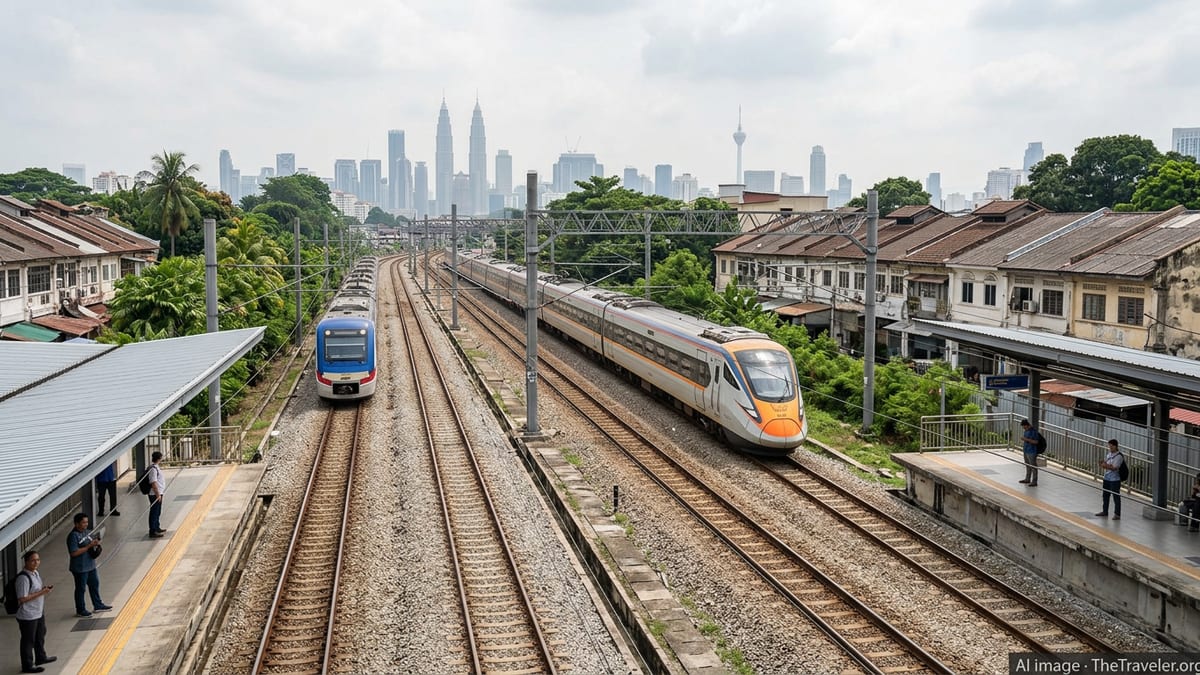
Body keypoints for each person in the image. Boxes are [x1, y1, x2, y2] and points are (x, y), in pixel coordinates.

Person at [14, 550, 56, 674]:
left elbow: (35, 591)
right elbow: (22, 598)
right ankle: (27, 665)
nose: (36, 563)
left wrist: (43, 590)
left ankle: (41, 657)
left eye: (38, 560)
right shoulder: (23, 578)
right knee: (28, 640)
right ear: (26, 562)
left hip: (38, 612)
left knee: (40, 635)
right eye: (33, 560)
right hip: (28, 615)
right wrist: (42, 593)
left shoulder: (35, 573)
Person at [67, 513, 111, 617]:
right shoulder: (73, 536)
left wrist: (96, 544)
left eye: (86, 522)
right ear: (76, 524)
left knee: (94, 584)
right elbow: (73, 552)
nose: (86, 524)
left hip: (90, 565)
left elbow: (91, 544)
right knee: (81, 588)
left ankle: (98, 604)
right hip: (80, 568)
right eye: (83, 522)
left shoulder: (88, 532)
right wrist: (88, 547)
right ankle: (80, 609)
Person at [1095, 439, 1124, 520]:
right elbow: (1109, 466)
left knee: (1116, 496)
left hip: (1115, 479)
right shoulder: (1109, 455)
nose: (1110, 448)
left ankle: (1117, 514)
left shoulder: (1119, 456)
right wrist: (1104, 464)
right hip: (1107, 478)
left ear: (1115, 446)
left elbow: (1115, 467)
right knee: (1105, 495)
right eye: (1109, 446)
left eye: (1111, 446)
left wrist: (1106, 466)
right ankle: (1105, 511)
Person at [148, 451, 167, 538]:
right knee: (154, 512)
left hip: (159, 493)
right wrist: (157, 494)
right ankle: (153, 530)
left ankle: (157, 526)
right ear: (159, 458)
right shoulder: (153, 469)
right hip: (155, 494)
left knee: (158, 511)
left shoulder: (156, 467)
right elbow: (153, 482)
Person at [1018, 419, 1039, 486]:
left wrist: (1025, 439)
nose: (1023, 428)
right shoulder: (1026, 431)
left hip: (1032, 451)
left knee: (1033, 466)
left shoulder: (1033, 432)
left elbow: (1036, 442)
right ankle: (1027, 479)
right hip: (1026, 450)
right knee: (1027, 465)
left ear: (1027, 425)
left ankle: (1034, 481)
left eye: (1024, 426)